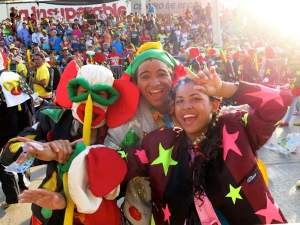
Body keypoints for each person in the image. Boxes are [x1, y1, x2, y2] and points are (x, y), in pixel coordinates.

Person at [124, 68, 292, 224]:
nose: (186, 106)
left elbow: (278, 101)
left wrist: (224, 88)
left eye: (196, 98)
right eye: (180, 101)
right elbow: (124, 163)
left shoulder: (235, 128)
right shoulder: (160, 143)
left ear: (214, 104)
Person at [0, 63, 139, 225]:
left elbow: (123, 183)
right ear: (73, 92)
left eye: (99, 95)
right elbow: (7, 156)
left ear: (110, 99)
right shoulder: (53, 119)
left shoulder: (119, 134)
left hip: (98, 217)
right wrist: (36, 149)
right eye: (84, 92)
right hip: (50, 213)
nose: (89, 102)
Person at [0, 71, 34, 209]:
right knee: (20, 159)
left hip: (9, 134)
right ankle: (23, 186)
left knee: (5, 166)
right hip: (22, 130)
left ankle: (13, 196)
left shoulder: (6, 81)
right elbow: (30, 105)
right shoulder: (15, 79)